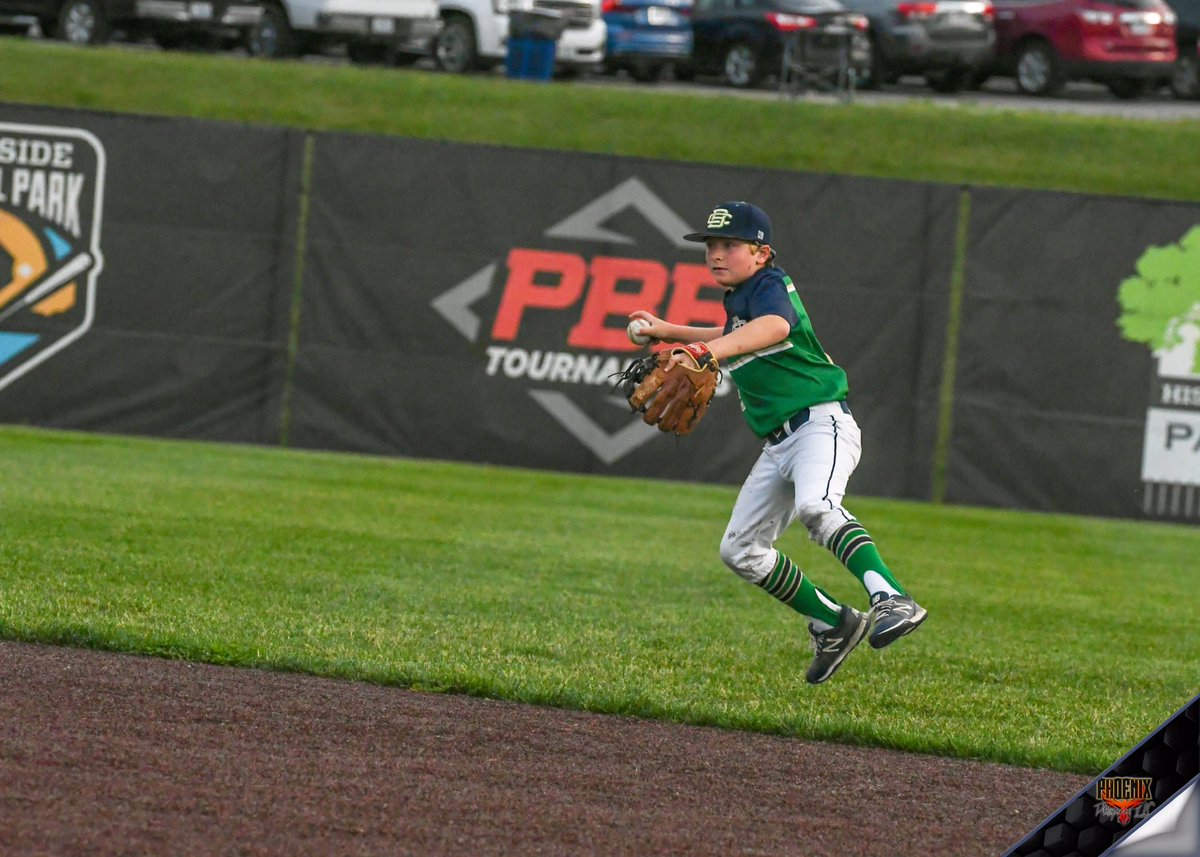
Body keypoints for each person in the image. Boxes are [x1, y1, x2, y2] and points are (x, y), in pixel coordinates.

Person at [629, 200, 926, 684]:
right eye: (711, 245)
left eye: (730, 245)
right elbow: (732, 334)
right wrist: (670, 332)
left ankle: (892, 597)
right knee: (740, 549)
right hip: (778, 443)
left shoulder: (770, 285)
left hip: (819, 425)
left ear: (761, 253)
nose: (716, 254)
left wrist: (704, 352)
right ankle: (835, 622)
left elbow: (776, 327)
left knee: (817, 506)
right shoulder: (740, 297)